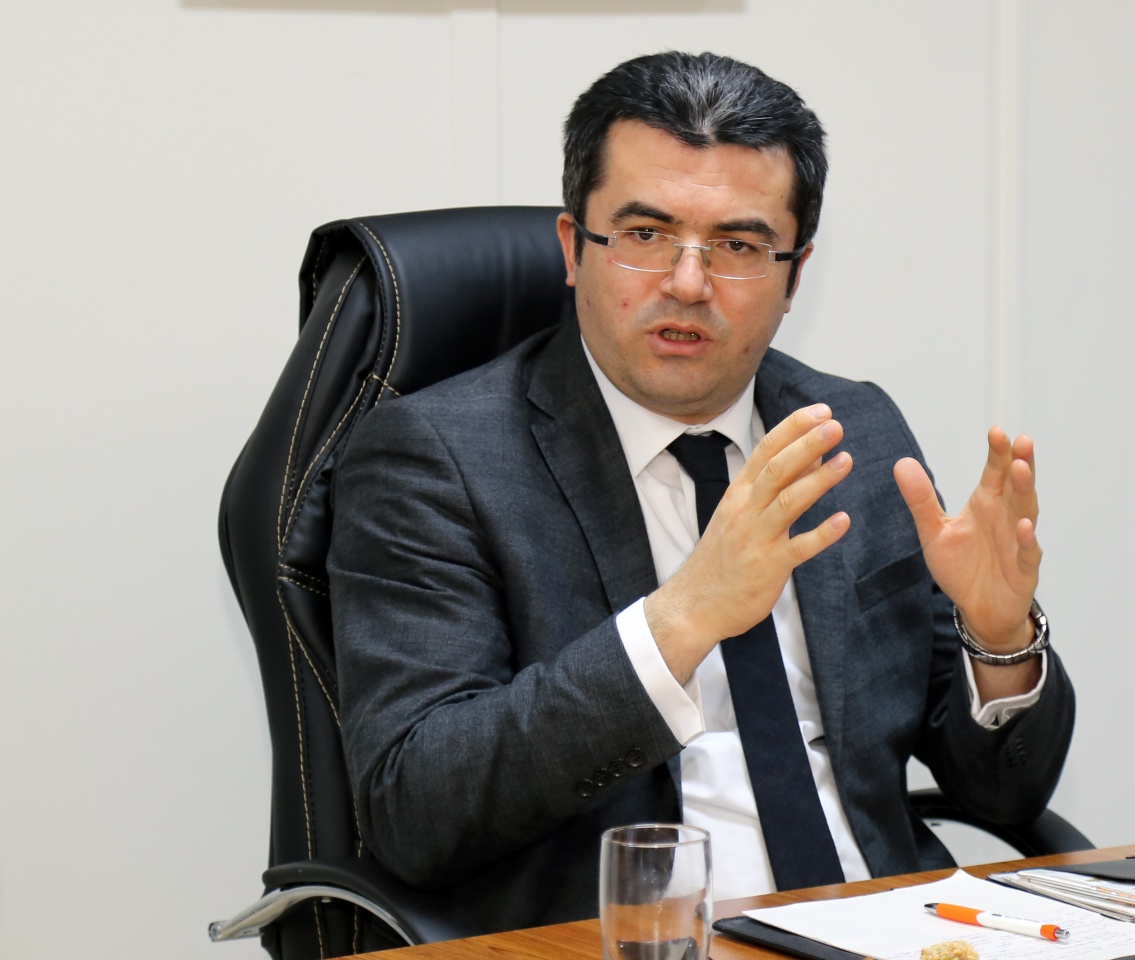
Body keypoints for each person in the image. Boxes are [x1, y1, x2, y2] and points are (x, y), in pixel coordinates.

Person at [329, 51, 1074, 935]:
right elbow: (416, 808)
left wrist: (998, 641)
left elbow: (1003, 792)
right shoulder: (438, 457)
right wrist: (681, 619)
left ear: (795, 274)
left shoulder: (853, 432)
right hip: (633, 941)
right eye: (645, 235)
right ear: (573, 249)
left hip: (893, 929)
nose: (688, 283)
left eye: (738, 246)